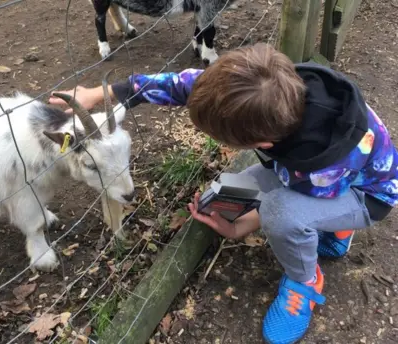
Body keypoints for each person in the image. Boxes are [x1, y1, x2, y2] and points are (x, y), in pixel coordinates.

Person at [49, 43, 398, 344]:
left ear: (262, 144)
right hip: (314, 174)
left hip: (363, 194)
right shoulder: (260, 88)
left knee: (280, 212)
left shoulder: (323, 160)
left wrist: (242, 225)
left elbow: (294, 195)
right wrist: (102, 94)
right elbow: (183, 83)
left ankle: (306, 280)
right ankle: (334, 228)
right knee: (234, 188)